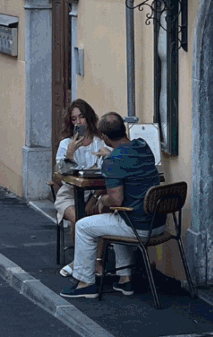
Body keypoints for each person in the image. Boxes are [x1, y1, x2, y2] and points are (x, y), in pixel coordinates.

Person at [59, 111, 161, 299]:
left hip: (139, 226)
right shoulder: (143, 146)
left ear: (104, 137)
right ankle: (125, 279)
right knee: (117, 218)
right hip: (159, 223)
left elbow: (116, 200)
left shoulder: (113, 161)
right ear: (124, 129)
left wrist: (101, 200)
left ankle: (85, 283)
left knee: (83, 225)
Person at [54, 99, 109, 226]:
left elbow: (108, 172)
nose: (78, 122)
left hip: (95, 194)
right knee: (80, 222)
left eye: (81, 117)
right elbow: (61, 177)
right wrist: (70, 154)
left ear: (88, 118)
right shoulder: (66, 144)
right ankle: (79, 246)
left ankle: (93, 246)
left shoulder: (100, 142)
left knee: (95, 224)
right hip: (70, 195)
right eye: (74, 119)